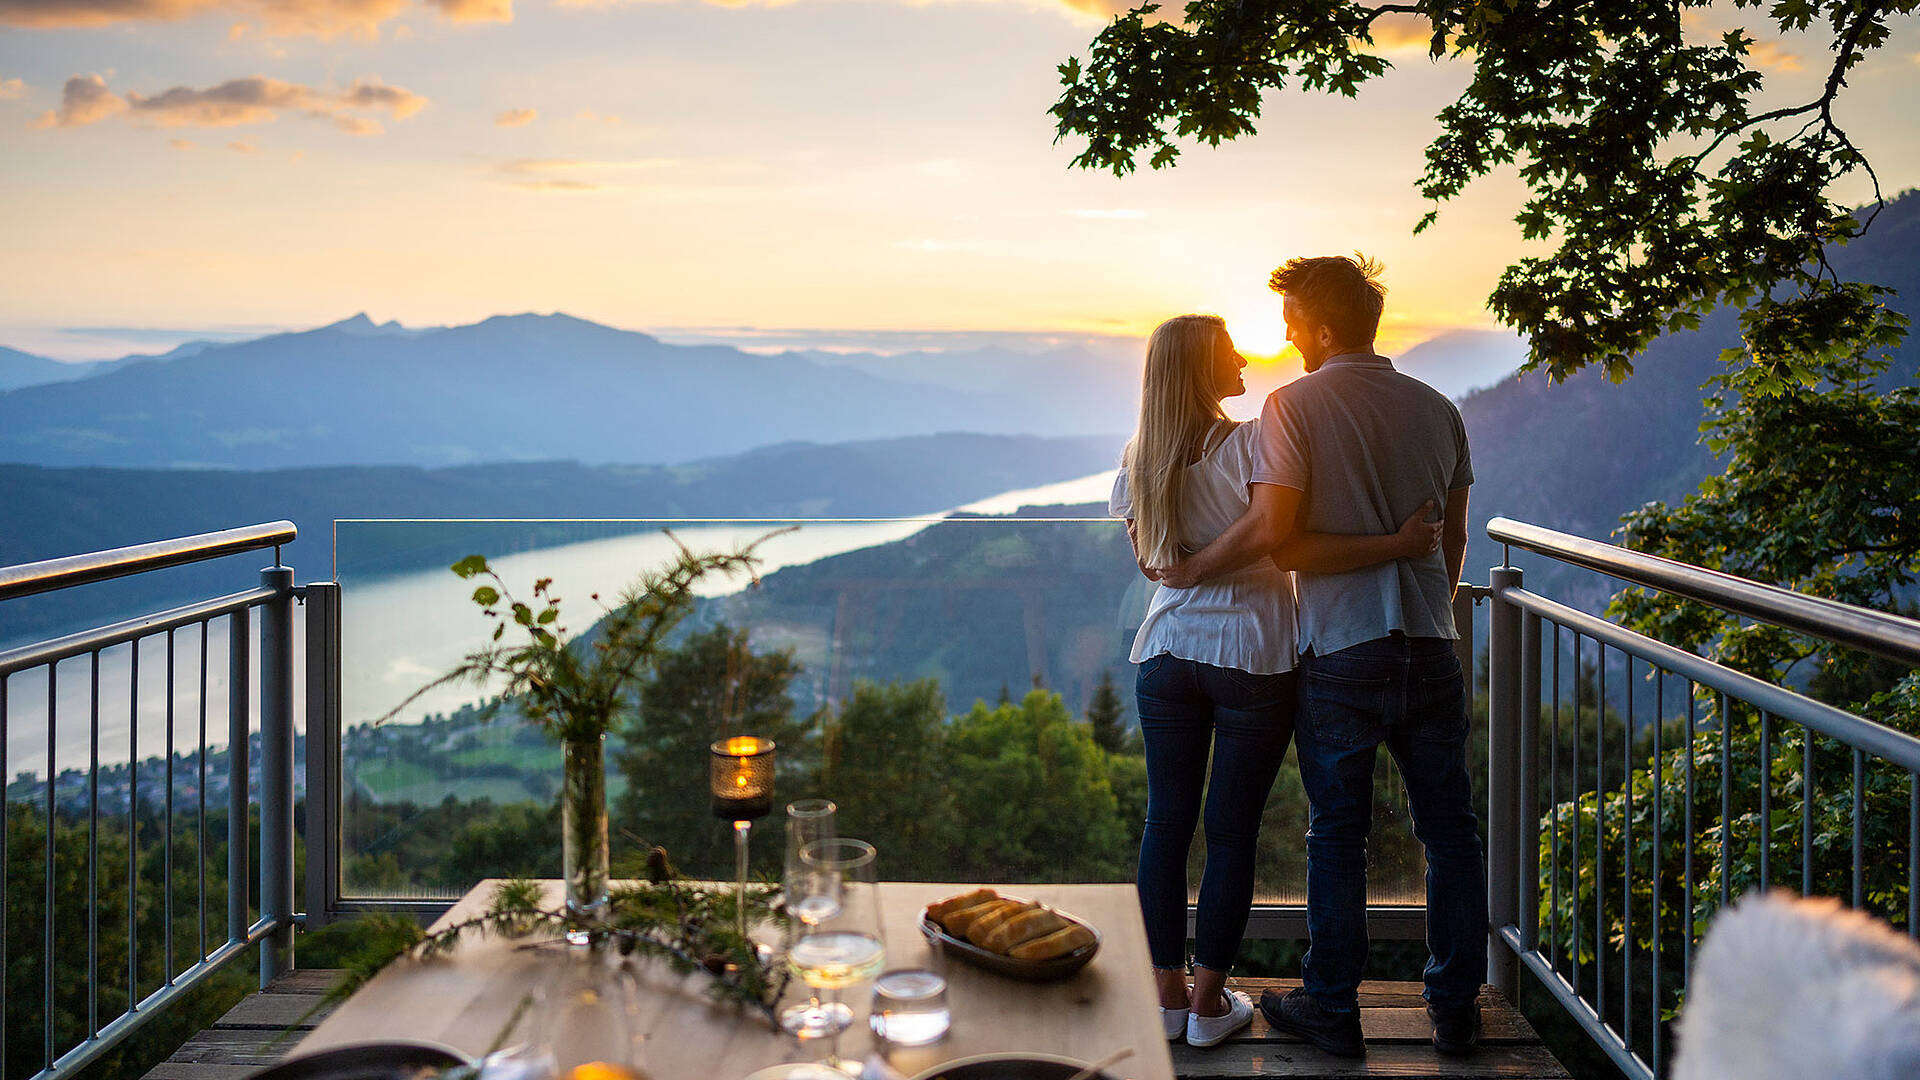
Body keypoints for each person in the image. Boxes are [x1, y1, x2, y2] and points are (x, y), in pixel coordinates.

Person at [1157, 256, 1485, 1058]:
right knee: (1449, 832)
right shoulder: (1440, 410)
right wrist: (1419, 596)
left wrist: (1195, 568)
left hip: (1341, 648)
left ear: (1326, 328)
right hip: (1432, 645)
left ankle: (1332, 1007)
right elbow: (1455, 539)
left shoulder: (1293, 406)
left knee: (1338, 834)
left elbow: (1286, 542)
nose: (1288, 335)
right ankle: (1456, 1010)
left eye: (1295, 321)